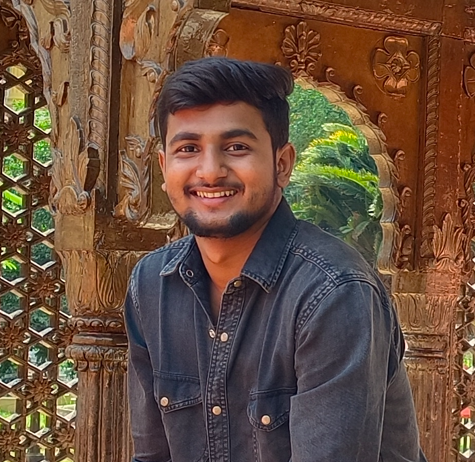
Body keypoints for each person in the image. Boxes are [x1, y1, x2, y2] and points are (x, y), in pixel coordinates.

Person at [124, 57, 427, 462]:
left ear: (282, 164)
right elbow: (152, 456)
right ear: (164, 167)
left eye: (236, 147)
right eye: (188, 149)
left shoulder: (333, 292)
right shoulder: (153, 284)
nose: (210, 172)